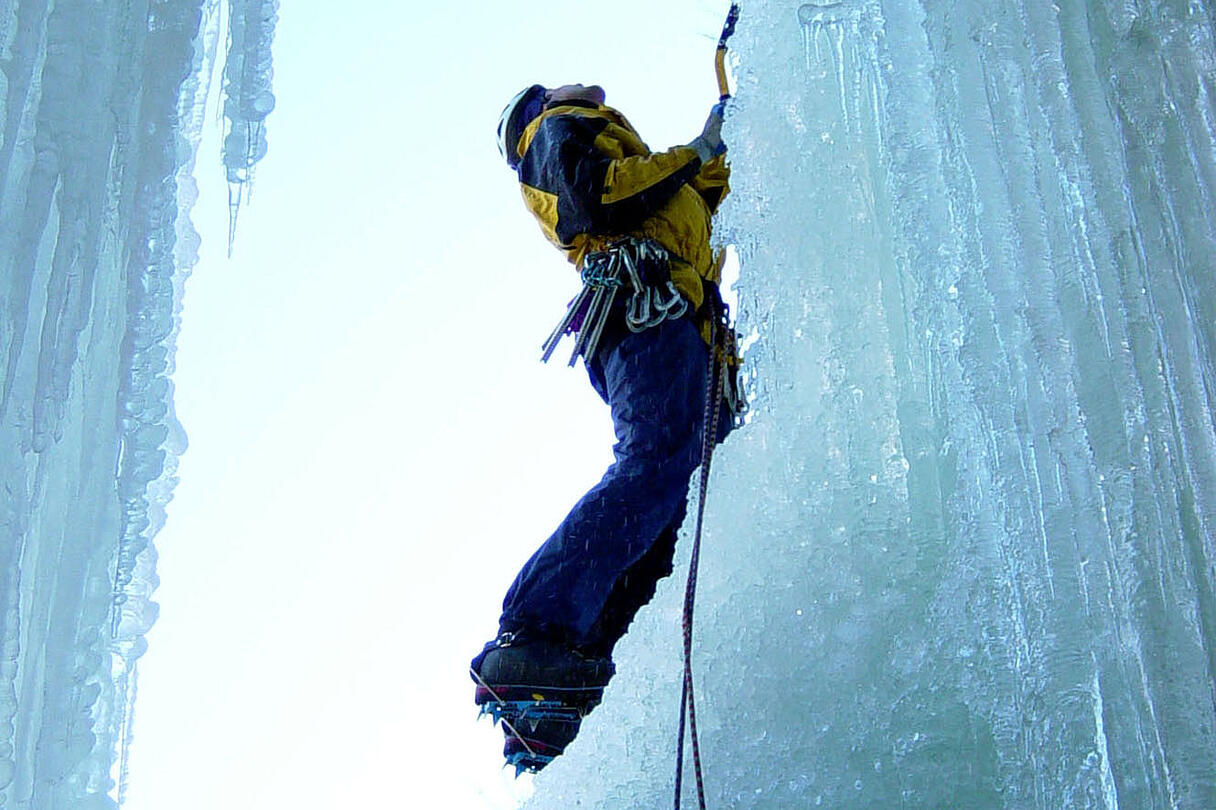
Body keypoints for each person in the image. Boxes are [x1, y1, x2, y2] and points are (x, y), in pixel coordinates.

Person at [471, 82, 737, 772]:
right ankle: (534, 631)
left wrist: (720, 146)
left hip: (680, 321)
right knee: (652, 465)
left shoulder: (635, 161)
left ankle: (576, 664)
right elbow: (601, 197)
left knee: (666, 513)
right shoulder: (556, 130)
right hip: (644, 307)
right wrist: (693, 151)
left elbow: (690, 203)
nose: (582, 84)